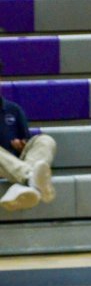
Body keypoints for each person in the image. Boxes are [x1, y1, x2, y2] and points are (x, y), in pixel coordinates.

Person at [0, 59, 56, 211]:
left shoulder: (13, 109)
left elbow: (27, 143)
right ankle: (31, 177)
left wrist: (22, 145)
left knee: (45, 140)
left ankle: (26, 183)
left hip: (14, 165)